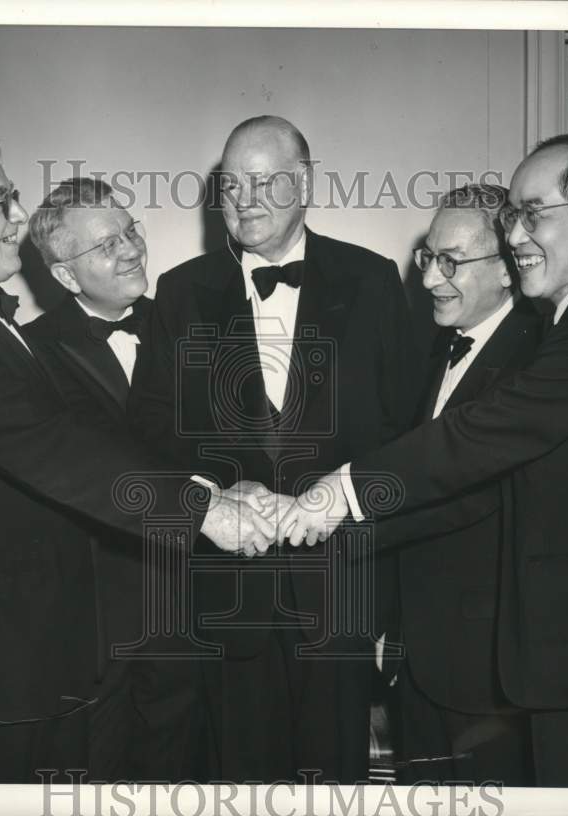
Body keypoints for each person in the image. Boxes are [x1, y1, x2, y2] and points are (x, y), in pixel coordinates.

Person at [281, 134, 568, 787]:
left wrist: (340, 492)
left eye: (534, 214)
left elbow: (477, 436)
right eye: (512, 219)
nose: (517, 235)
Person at [0, 136, 272, 783]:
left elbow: (77, 442)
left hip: (26, 656)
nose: (16, 217)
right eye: (2, 201)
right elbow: (54, 449)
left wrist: (213, 491)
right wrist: (201, 509)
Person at [128, 115, 417, 782]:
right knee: (240, 777)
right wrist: (214, 489)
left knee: (334, 779)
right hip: (229, 591)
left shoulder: (373, 281)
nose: (245, 199)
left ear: (306, 183)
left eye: (264, 181)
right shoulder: (180, 291)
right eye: (231, 184)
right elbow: (148, 428)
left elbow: (403, 430)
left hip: (342, 588)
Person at [23, 176, 207, 780]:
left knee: (180, 768)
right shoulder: (28, 353)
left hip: (190, 598)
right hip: (91, 616)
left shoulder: (188, 324)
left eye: (130, 231)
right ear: (66, 276)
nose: (131, 249)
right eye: (108, 245)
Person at [390, 184, 542, 786]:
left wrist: (333, 509)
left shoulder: (537, 358)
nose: (430, 278)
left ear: (507, 269)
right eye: (428, 257)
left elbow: (470, 495)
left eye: (452, 261)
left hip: (489, 671)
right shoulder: (434, 350)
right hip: (421, 659)